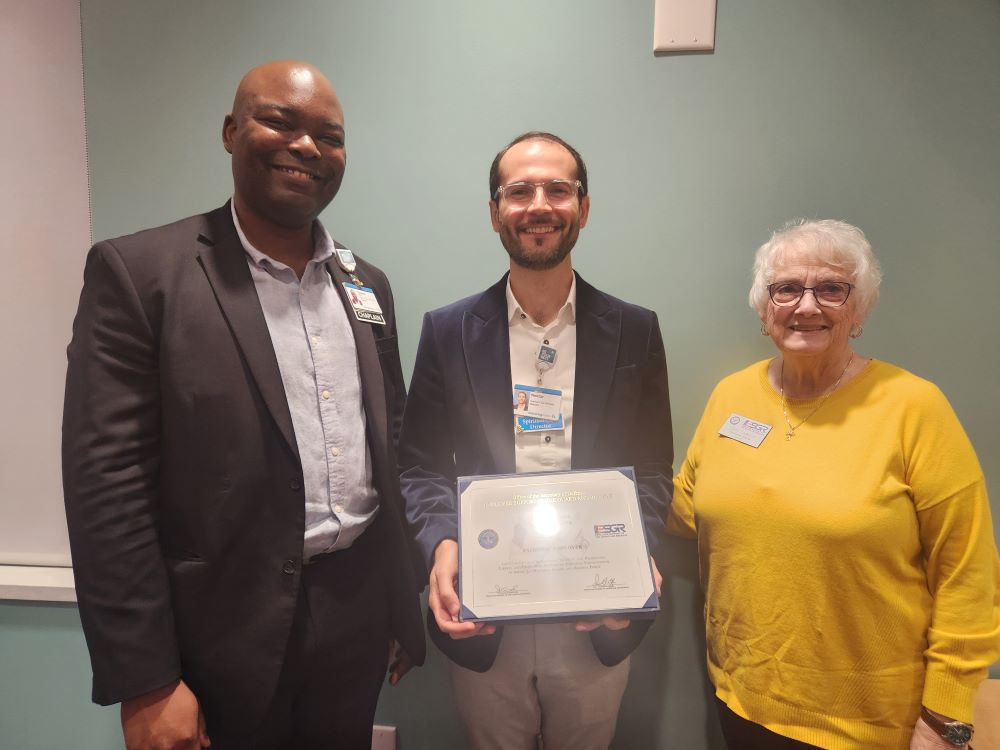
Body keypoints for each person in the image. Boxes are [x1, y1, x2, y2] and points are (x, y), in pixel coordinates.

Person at [62, 60, 424, 750]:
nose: (307, 146)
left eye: (329, 134)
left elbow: (392, 448)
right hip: (214, 642)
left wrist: (397, 609)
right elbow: (106, 491)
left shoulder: (366, 286)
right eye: (280, 122)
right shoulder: (140, 277)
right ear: (231, 132)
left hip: (355, 621)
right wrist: (145, 679)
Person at [668, 219, 1000, 750]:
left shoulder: (914, 407)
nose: (806, 306)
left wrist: (945, 722)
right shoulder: (731, 395)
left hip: (869, 724)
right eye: (786, 289)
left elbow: (969, 574)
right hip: (741, 698)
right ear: (763, 307)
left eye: (830, 289)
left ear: (859, 307)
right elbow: (686, 505)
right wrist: (598, 498)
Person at [398, 131, 673, 749]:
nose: (538, 205)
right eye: (518, 191)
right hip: (484, 611)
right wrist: (441, 543)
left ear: (584, 206)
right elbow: (418, 466)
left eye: (558, 189)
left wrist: (637, 548)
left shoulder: (634, 330)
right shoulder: (447, 331)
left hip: (596, 613)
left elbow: (654, 468)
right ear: (495, 211)